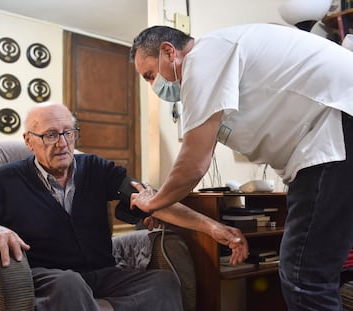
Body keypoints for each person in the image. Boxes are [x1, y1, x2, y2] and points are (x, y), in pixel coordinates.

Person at [129, 23, 353, 311]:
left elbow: (194, 163)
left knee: (303, 276)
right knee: (310, 270)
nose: (153, 86)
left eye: (150, 75)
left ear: (168, 51)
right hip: (328, 138)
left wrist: (154, 202)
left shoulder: (202, 59)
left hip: (334, 133)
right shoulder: (220, 57)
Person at [0, 102, 248, 311]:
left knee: (163, 281)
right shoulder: (6, 180)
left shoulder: (94, 168)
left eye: (68, 132)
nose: (62, 143)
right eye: (50, 134)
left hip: (102, 274)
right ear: (29, 140)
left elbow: (151, 200)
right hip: (50, 277)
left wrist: (214, 227)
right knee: (70, 284)